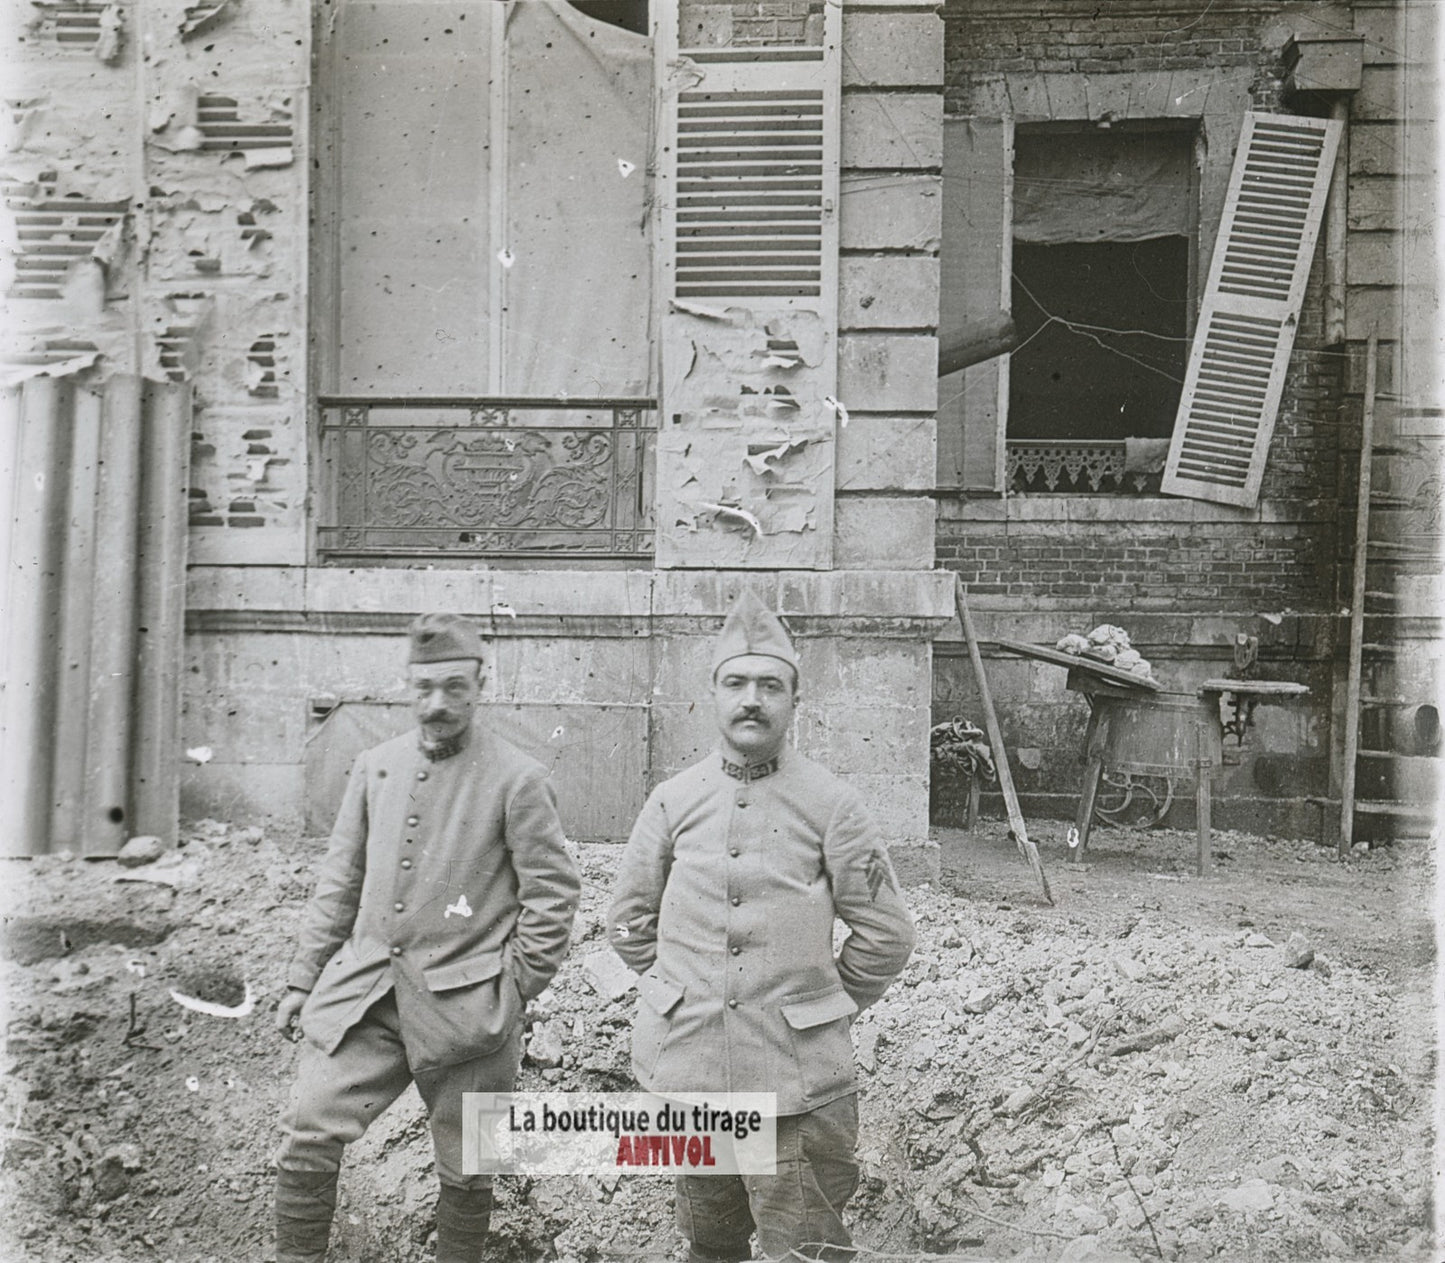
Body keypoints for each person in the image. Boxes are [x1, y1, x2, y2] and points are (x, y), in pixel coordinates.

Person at [607, 590, 916, 1262]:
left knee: (805, 1250)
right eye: (736, 683)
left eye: (770, 685)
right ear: (712, 695)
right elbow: (628, 922)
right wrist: (685, 988)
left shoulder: (833, 805)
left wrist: (817, 1007)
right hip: (691, 1073)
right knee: (709, 1244)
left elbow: (886, 934)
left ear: (794, 701)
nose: (752, 699)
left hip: (797, 1089)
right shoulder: (673, 801)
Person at [272, 613, 580, 1263]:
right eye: (423, 687)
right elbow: (339, 882)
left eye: (453, 687)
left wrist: (511, 988)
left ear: (479, 684)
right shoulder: (375, 767)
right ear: (407, 686)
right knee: (307, 1123)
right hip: (368, 994)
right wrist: (303, 979)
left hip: (470, 1009)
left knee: (468, 1165)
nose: (436, 703)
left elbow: (552, 900)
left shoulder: (517, 777)